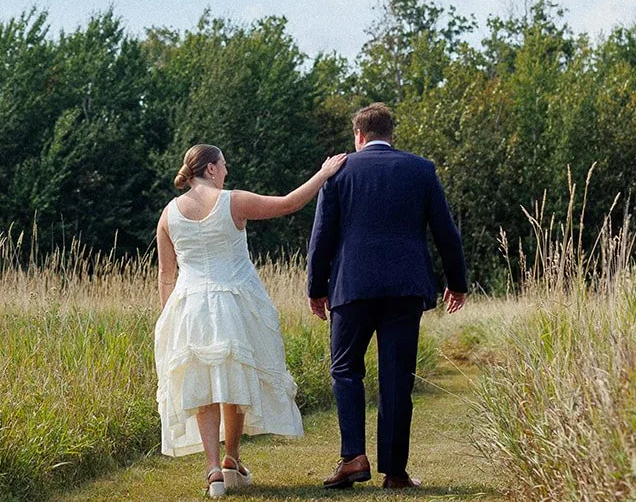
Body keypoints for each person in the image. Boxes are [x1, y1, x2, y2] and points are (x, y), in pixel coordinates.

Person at [156, 143, 348, 497]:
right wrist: (323, 174)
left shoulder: (168, 214)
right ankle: (231, 459)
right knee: (234, 377)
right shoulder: (232, 200)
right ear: (211, 169)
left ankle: (214, 468)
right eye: (224, 165)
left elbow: (166, 276)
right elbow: (289, 203)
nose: (227, 171)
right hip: (234, 301)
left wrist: (170, 318)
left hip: (189, 308)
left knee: (204, 386)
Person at [307, 102, 467, 490]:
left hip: (352, 287)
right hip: (405, 288)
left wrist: (316, 288)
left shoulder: (339, 171)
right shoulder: (421, 169)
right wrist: (457, 281)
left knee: (346, 370)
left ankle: (353, 457)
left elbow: (322, 235)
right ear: (390, 134)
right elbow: (445, 230)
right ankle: (395, 472)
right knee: (397, 378)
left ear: (358, 136)